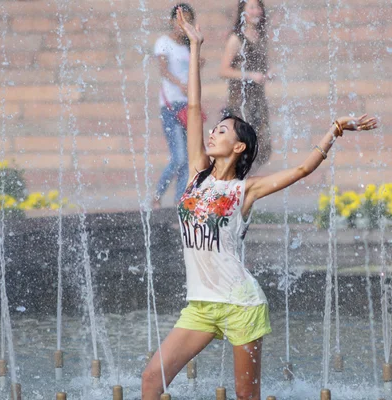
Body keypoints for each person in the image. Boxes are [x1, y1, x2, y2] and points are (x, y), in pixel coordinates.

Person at [141, 7, 378, 400]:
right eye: (213, 130)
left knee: (246, 397)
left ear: (237, 147)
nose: (213, 133)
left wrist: (335, 129)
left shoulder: (244, 191)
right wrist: (197, 45)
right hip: (200, 306)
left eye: (222, 131)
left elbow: (302, 169)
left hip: (241, 305)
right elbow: (196, 108)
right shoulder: (197, 173)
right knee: (152, 380)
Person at [219, 0, 272, 172]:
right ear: (243, 12)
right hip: (240, 104)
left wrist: (268, 73)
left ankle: (242, 184)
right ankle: (237, 188)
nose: (256, 11)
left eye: (259, 8)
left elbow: (260, 68)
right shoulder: (236, 38)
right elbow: (224, 71)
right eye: (252, 8)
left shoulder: (260, 36)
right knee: (243, 149)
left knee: (263, 149)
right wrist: (249, 75)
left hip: (258, 102)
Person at [153, 3, 196, 208]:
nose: (183, 24)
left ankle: (180, 202)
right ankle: (157, 195)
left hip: (188, 105)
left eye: (187, 20)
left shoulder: (189, 44)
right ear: (172, 21)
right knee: (178, 156)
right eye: (180, 20)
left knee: (187, 159)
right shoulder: (164, 42)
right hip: (171, 104)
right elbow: (163, 70)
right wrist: (181, 85)